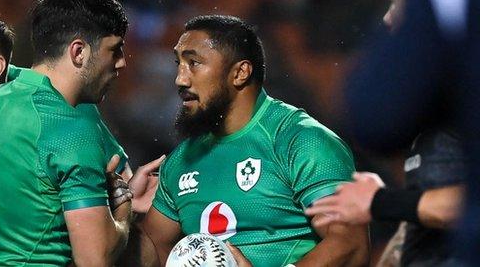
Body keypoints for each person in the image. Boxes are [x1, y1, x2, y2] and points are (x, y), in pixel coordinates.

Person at [123, 15, 369, 267]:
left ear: (240, 73)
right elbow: (152, 251)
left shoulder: (301, 140)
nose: (180, 79)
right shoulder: (180, 162)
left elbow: (349, 243)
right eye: (179, 64)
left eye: (194, 63)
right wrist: (122, 206)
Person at [0, 0, 133, 266]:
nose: (120, 63)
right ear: (79, 52)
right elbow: (94, 259)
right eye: (115, 50)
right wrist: (123, 210)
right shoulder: (68, 130)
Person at [305, 0, 466, 266]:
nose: (388, 19)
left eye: (397, 4)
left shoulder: (465, 96)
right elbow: (427, 214)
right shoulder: (434, 106)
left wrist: (380, 202)